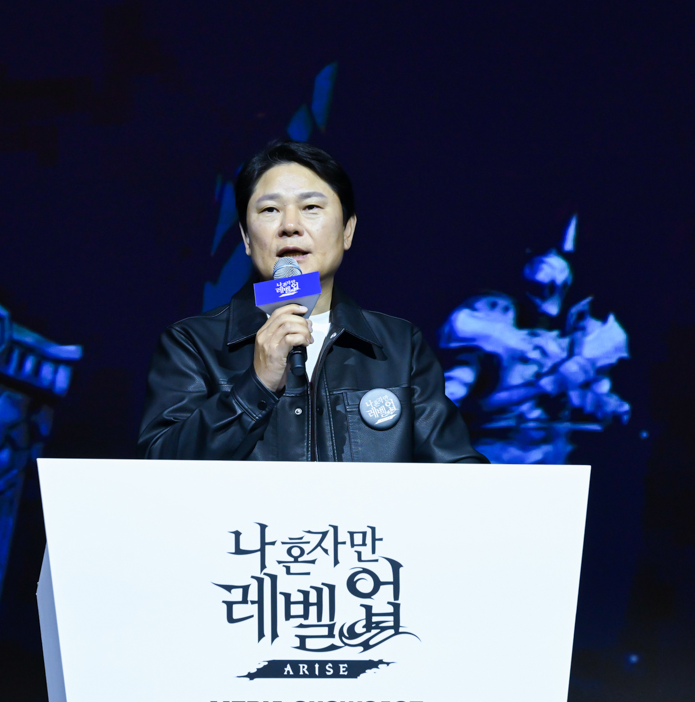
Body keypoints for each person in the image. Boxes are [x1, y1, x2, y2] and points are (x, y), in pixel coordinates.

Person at [137, 141, 486, 463]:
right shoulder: (193, 343)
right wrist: (256, 384)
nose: (290, 225)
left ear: (347, 230)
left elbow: (458, 473)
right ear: (246, 237)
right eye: (270, 209)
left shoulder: (398, 345)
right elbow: (158, 470)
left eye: (311, 207)